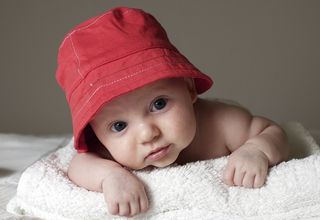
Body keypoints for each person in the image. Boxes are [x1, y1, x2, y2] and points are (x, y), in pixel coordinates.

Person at [56, 7, 289, 217]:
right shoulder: (108, 150)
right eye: (119, 126)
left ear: (188, 89)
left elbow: (270, 130)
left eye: (159, 104)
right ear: (95, 132)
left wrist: (256, 149)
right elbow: (79, 165)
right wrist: (110, 177)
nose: (148, 134)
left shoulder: (220, 124)